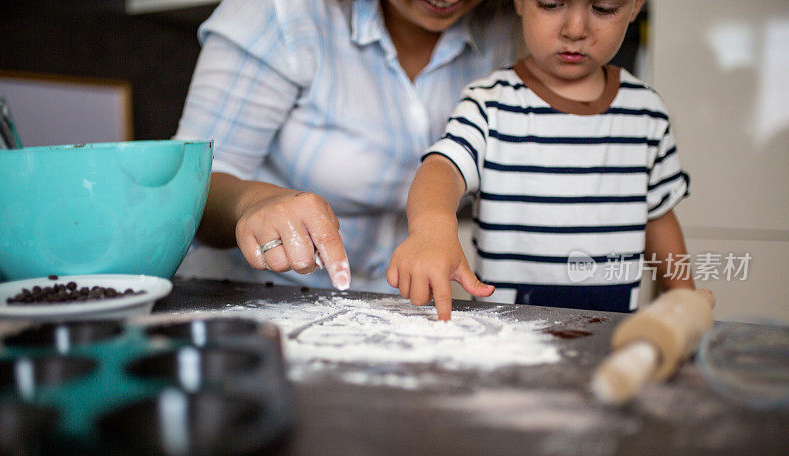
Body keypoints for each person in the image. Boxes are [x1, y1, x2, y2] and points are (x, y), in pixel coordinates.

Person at [175, 0, 519, 292]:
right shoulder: (283, 13)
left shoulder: (518, 26)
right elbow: (190, 186)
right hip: (254, 300)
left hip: (396, 310)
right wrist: (253, 202)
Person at [388, 0, 695, 320]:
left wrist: (684, 296)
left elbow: (658, 216)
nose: (575, 30)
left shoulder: (646, 112)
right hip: (507, 337)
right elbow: (444, 167)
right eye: (552, 4)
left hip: (611, 332)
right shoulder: (490, 102)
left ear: (634, 7)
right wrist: (432, 228)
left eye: (603, 9)